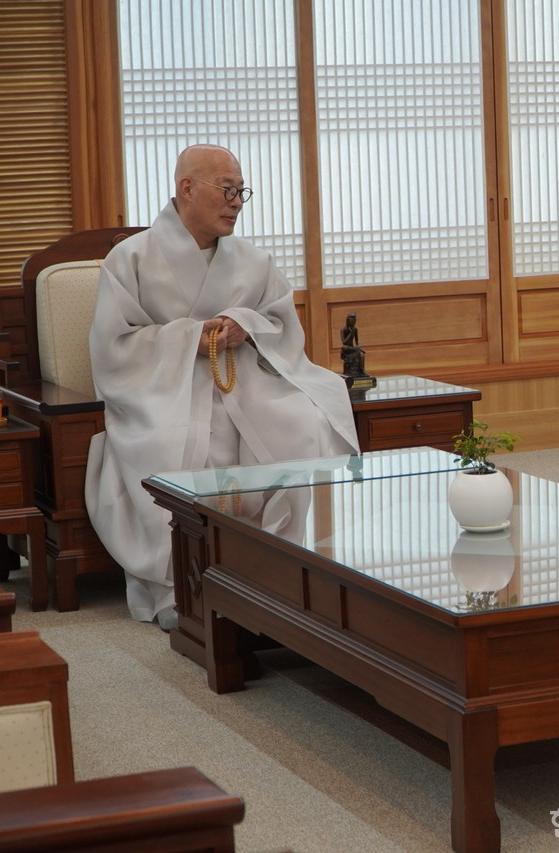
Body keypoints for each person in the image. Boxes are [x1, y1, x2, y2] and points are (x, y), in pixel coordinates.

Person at [85, 143, 360, 629]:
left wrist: (244, 324)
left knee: (309, 425)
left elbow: (281, 325)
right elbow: (114, 347)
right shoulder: (130, 258)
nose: (236, 202)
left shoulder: (253, 260)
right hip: (164, 389)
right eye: (227, 190)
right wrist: (191, 336)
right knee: (178, 448)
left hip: (246, 378)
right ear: (186, 189)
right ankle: (184, 583)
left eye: (241, 192)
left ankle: (287, 569)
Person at [341, 312, 367, 378]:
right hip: (347, 348)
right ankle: (356, 349)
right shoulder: (343, 329)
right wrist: (350, 333)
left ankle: (362, 370)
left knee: (361, 354)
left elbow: (357, 341)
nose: (353, 324)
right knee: (343, 347)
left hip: (353, 348)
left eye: (354, 322)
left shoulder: (355, 329)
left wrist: (358, 345)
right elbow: (344, 342)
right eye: (352, 322)